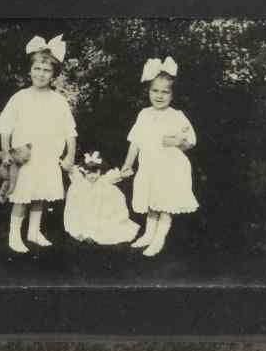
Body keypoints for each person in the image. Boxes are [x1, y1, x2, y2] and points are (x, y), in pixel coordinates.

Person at [0, 34, 77, 253]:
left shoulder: (59, 101)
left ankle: (34, 231)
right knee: (22, 194)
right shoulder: (20, 97)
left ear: (54, 75)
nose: (41, 74)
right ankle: (15, 234)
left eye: (47, 70)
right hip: (26, 156)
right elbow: (5, 126)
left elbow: (70, 131)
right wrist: (6, 152)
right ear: (30, 71)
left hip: (48, 155)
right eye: (37, 69)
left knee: (40, 194)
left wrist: (70, 155)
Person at [121, 57, 199, 256]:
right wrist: (128, 164)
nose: (159, 95)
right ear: (148, 91)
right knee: (151, 200)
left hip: (171, 167)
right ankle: (148, 234)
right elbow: (135, 142)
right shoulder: (144, 115)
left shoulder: (177, 115)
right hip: (149, 166)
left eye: (165, 92)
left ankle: (159, 238)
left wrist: (177, 142)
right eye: (155, 90)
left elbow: (190, 142)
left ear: (173, 95)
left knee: (165, 202)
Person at [64, 151, 139, 245]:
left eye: (95, 172)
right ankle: (84, 232)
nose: (92, 176)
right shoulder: (80, 181)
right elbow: (71, 170)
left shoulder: (103, 179)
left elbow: (117, 176)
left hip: (100, 210)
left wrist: (122, 174)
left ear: (100, 170)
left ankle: (97, 232)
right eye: (88, 172)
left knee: (109, 202)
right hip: (85, 209)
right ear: (83, 171)